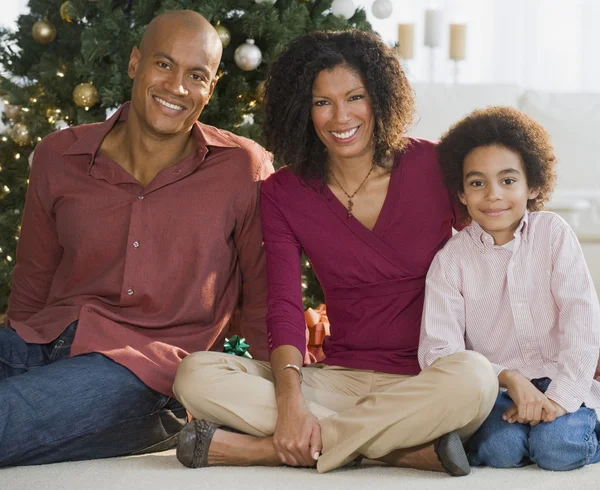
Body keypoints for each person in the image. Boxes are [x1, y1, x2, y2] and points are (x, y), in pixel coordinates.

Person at [173, 30, 498, 476]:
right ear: (302, 110)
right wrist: (290, 403)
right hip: (336, 381)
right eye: (322, 102)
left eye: (355, 97)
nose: (340, 117)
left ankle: (263, 450)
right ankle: (400, 449)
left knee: (477, 379)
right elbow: (285, 304)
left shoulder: (436, 166)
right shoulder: (284, 192)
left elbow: (492, 260)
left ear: (380, 98)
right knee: (195, 376)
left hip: (428, 381)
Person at [1, 10, 273, 466]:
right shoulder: (59, 155)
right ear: (134, 63)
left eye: (197, 75)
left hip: (145, 376)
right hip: (42, 342)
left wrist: (279, 402)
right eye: (163, 64)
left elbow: (267, 297)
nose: (177, 87)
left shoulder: (243, 170)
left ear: (212, 87)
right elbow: (32, 281)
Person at [419, 106, 600, 471]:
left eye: (507, 180)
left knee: (557, 448)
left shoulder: (553, 234)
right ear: (462, 193)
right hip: (499, 392)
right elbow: (438, 352)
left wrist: (560, 400)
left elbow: (582, 321)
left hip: (562, 376)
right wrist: (507, 376)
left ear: (532, 185)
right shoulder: (450, 260)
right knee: (500, 452)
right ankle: (526, 434)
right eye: (477, 183)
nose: (492, 195)